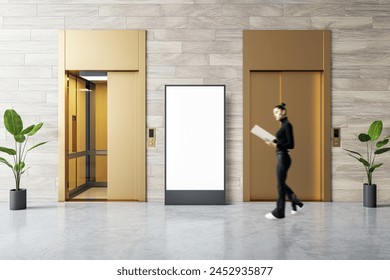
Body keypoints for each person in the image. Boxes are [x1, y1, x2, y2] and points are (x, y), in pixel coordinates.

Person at [264, 103, 304, 220]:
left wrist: (275, 143)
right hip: (281, 157)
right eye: (273, 113)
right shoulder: (283, 125)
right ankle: (295, 202)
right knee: (280, 183)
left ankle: (279, 212)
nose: (274, 115)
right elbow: (283, 141)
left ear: (283, 112)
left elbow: (291, 145)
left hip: (283, 157)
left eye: (276, 112)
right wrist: (273, 140)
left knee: (280, 185)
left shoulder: (288, 125)